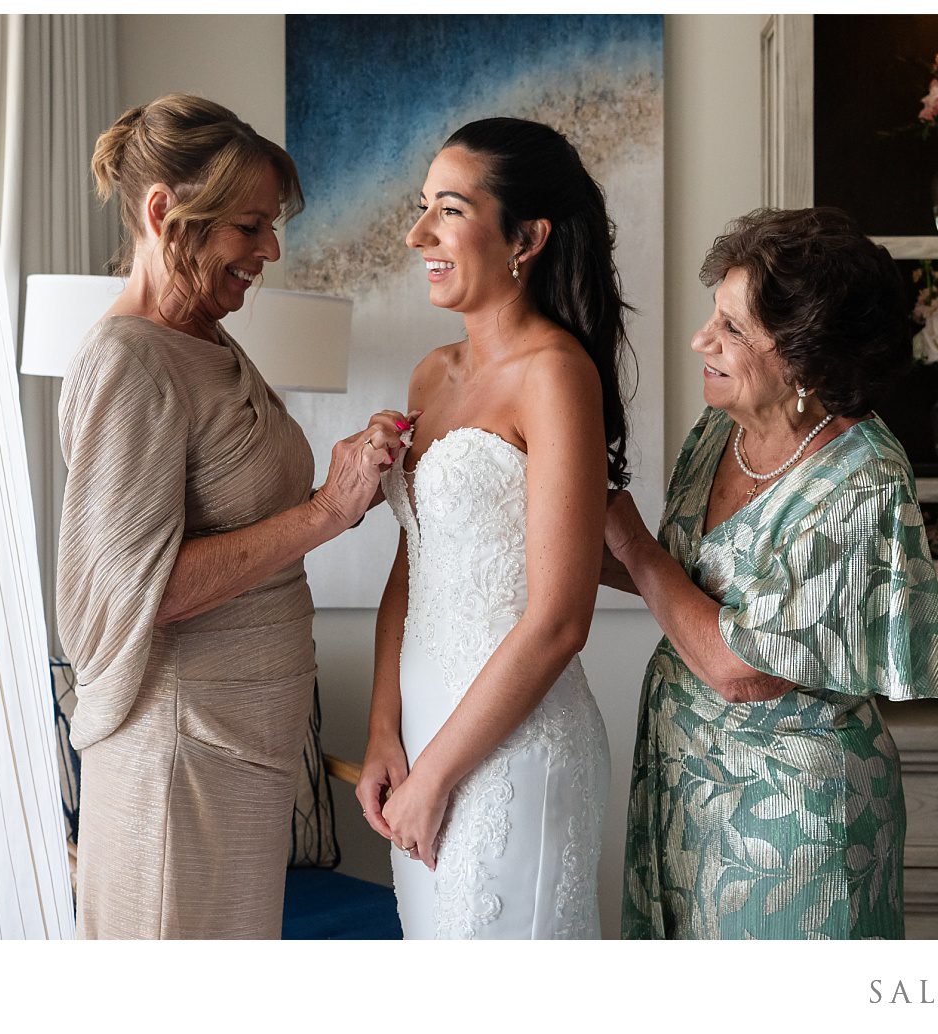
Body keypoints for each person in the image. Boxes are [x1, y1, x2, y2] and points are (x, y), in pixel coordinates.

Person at [56, 94, 403, 939]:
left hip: (238, 750)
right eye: (251, 226)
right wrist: (326, 511)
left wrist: (349, 487)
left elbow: (246, 520)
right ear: (164, 213)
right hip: (176, 759)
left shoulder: (207, 338)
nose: (271, 250)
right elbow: (142, 590)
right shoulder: (128, 361)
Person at [603, 206, 938, 940]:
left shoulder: (864, 476)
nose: (702, 339)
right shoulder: (722, 428)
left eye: (733, 329)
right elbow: (684, 582)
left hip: (794, 823)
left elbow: (744, 669)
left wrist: (632, 540)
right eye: (715, 314)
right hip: (686, 784)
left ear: (808, 358)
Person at [356, 118, 627, 939]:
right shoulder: (429, 375)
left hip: (513, 748)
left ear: (527, 237)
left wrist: (437, 775)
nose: (418, 234)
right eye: (420, 208)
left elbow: (559, 620)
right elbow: (414, 568)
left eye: (449, 209)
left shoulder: (556, 376)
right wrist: (382, 734)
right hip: (420, 739)